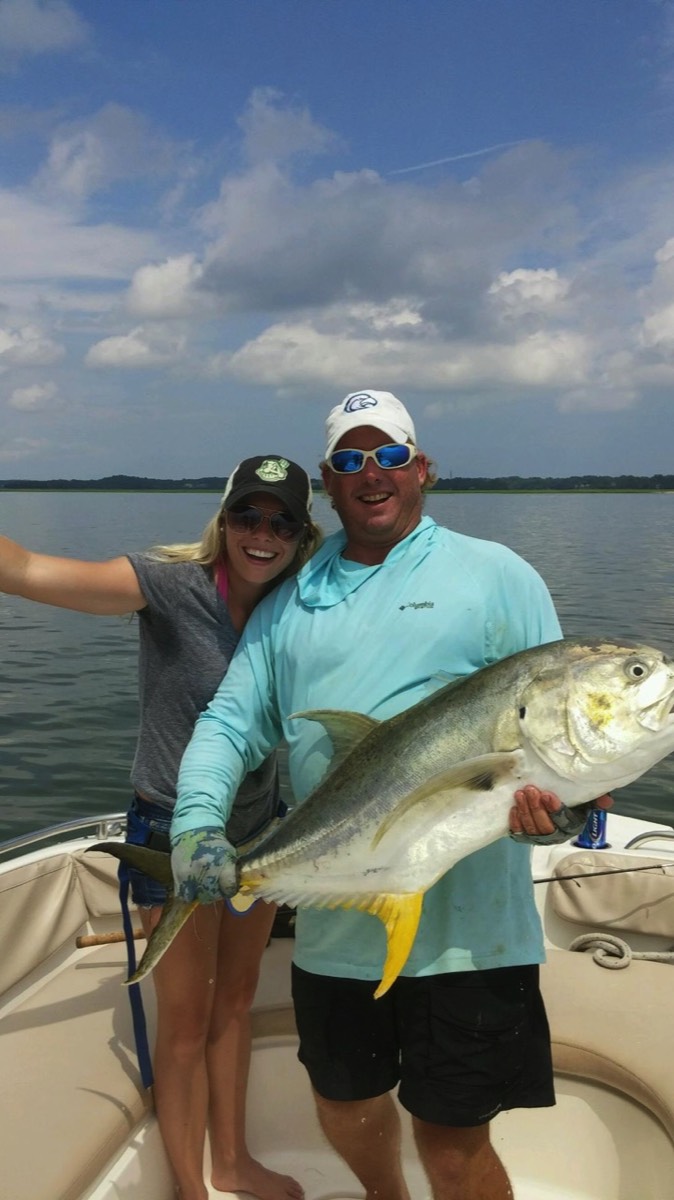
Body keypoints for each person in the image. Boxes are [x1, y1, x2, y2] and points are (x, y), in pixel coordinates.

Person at [170, 393, 607, 1200]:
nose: (370, 475)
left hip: (473, 938)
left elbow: (557, 732)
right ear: (328, 491)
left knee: (453, 1142)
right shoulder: (291, 602)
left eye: (388, 456)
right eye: (347, 462)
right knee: (345, 1106)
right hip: (337, 920)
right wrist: (198, 822)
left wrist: (566, 816)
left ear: (422, 468)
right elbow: (230, 722)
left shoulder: (497, 576)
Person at [0, 454, 321, 1200]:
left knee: (235, 1003)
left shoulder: (302, 604)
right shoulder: (168, 587)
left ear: (303, 537)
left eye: (281, 523)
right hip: (167, 833)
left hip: (259, 832)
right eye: (248, 516)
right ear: (224, 519)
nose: (261, 535)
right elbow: (26, 570)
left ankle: (233, 1159)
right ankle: (191, 1186)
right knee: (184, 1019)